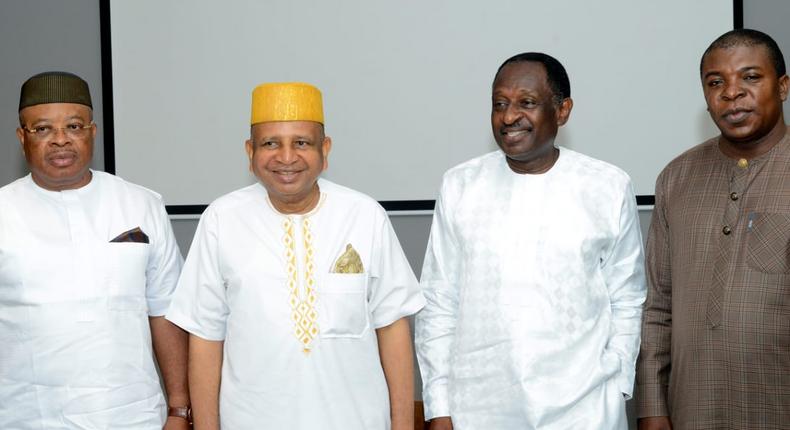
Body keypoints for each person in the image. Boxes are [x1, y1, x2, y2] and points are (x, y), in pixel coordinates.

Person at [165, 82, 425, 429]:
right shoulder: (222, 219)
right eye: (270, 143)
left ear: (325, 149)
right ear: (249, 152)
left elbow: (392, 326)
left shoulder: (364, 215)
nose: (286, 158)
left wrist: (403, 426)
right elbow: (205, 337)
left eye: (301, 143)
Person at [415, 52, 647, 430]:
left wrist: (617, 382)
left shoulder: (606, 185)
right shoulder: (461, 185)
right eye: (500, 104)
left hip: (585, 409)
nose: (509, 117)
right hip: (478, 408)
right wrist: (439, 407)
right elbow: (439, 301)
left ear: (563, 110)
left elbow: (628, 296)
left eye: (526, 103)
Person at [0, 71, 189, 428]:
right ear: (21, 138)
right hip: (26, 416)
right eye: (42, 129)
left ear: (93, 132)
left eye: (74, 126)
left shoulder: (141, 204)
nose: (60, 140)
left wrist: (180, 408)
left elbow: (165, 310)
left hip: (134, 415)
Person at [636, 29, 790, 430]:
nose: (731, 93)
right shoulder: (677, 178)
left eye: (750, 77)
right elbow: (657, 308)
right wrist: (652, 409)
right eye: (715, 82)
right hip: (694, 409)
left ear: (784, 86)